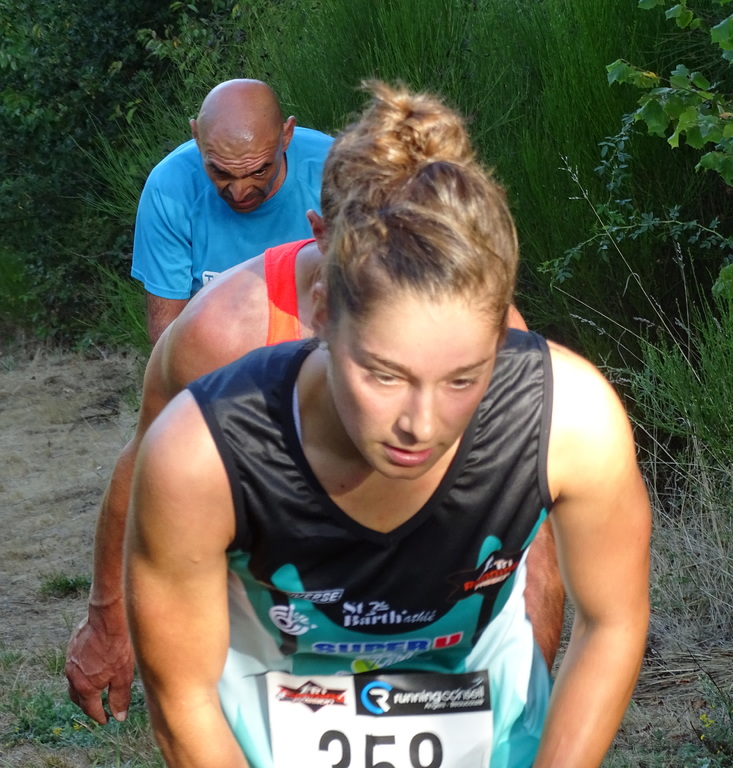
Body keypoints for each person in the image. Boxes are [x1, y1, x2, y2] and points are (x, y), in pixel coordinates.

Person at [125, 81, 650, 768]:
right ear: (320, 312)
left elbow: (612, 621)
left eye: (463, 378)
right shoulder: (201, 449)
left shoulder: (572, 416)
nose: (420, 425)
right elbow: (183, 695)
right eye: (383, 375)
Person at [65, 228, 555, 726]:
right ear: (325, 228)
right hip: (271, 632)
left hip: (424, 616)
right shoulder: (223, 329)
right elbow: (148, 467)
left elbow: (530, 531)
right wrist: (108, 618)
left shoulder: (491, 333)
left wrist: (523, 703)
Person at [132, 78, 334, 343]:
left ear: (286, 136)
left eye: (259, 171)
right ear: (197, 138)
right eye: (220, 172)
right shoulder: (169, 188)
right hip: (218, 354)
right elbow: (166, 337)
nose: (240, 193)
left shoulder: (338, 172)